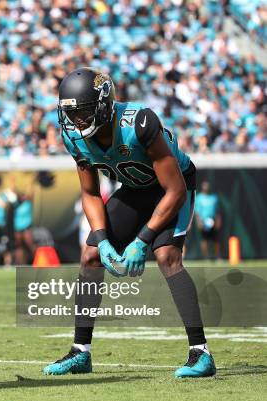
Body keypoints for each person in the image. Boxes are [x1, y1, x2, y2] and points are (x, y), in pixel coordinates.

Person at [43, 68, 215, 379]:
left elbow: (174, 190)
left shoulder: (140, 122)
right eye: (71, 113)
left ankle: (201, 353)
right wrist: (101, 237)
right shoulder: (72, 136)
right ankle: (81, 352)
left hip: (173, 188)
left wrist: (141, 240)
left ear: (104, 106)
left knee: (167, 257)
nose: (76, 121)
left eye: (82, 112)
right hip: (135, 190)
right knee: (92, 255)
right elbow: (90, 192)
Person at [195, 181, 221, 260]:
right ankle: (206, 257)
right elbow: (197, 212)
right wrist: (199, 222)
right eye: (204, 186)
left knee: (216, 240)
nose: (206, 188)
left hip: (213, 221)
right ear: (202, 188)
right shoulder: (199, 198)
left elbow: (217, 211)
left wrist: (218, 221)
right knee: (204, 240)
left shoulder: (214, 197)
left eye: (207, 186)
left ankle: (217, 256)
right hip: (203, 222)